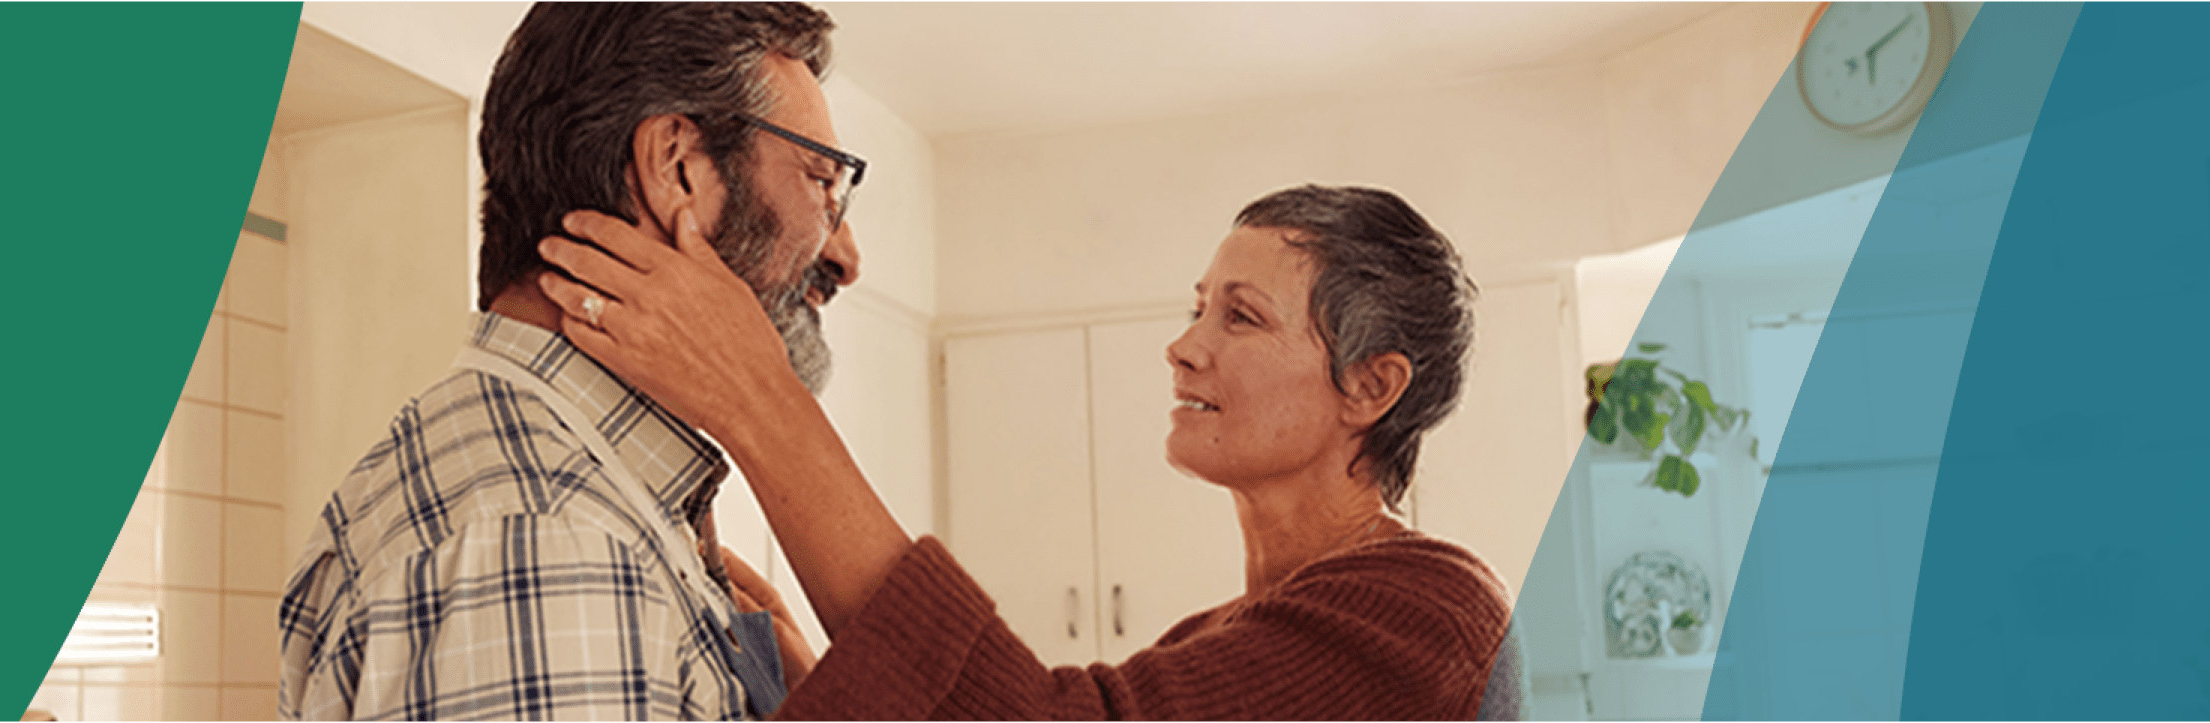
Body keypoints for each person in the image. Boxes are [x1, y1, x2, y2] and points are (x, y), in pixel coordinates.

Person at [530, 185, 1512, 721]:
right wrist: (806, 659)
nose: (1184, 346)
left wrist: (758, 398)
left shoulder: (1434, 609)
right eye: (1197, 308)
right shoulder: (1215, 635)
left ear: (1371, 386)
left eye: (1242, 317)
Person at [272, 3, 865, 721]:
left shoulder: (562, 511)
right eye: (822, 180)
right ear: (677, 166)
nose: (846, 256)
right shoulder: (547, 542)